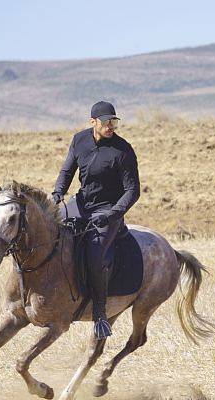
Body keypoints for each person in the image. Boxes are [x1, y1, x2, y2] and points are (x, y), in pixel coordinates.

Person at [51, 101, 140, 339]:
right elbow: (67, 172)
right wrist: (58, 192)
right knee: (50, 231)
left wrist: (113, 214)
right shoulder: (79, 140)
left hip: (108, 210)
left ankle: (100, 314)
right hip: (81, 204)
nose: (111, 126)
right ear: (93, 122)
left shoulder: (123, 150)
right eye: (106, 122)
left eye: (114, 121)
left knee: (96, 253)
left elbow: (133, 191)